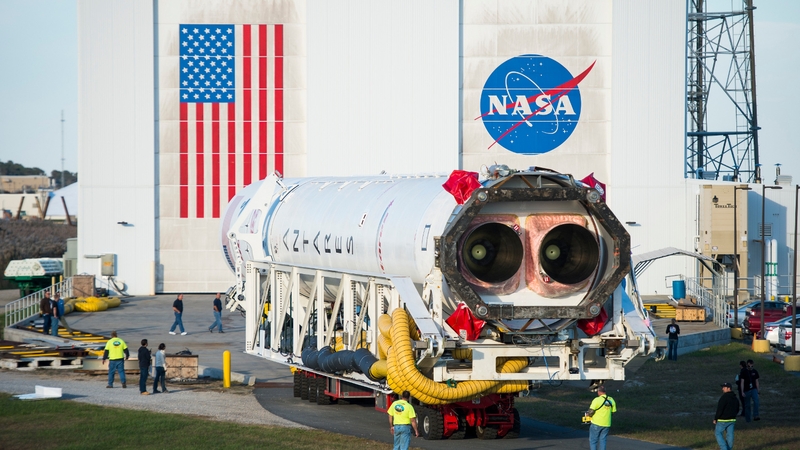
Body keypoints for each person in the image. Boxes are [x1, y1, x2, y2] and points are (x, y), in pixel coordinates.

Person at [588, 385, 616, 450]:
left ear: (599, 392)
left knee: (593, 441)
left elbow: (591, 411)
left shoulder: (597, 400)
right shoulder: (611, 399)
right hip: (607, 424)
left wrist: (588, 415)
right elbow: (613, 412)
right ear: (605, 391)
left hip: (596, 423)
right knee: (603, 440)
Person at [714, 382, 739, 450]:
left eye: (724, 387)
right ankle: (729, 448)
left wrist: (716, 418)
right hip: (732, 420)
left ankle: (724, 448)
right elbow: (737, 408)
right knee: (730, 435)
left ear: (729, 388)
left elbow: (720, 409)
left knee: (718, 433)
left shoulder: (724, 397)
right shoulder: (735, 398)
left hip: (723, 420)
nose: (722, 389)